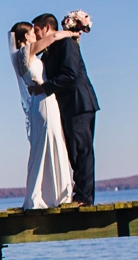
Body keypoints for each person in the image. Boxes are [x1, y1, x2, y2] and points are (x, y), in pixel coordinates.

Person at [30, 11, 98, 205]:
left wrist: (44, 88)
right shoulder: (49, 50)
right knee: (73, 151)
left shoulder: (67, 44)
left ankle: (85, 198)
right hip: (67, 106)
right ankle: (79, 194)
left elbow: (69, 74)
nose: (35, 35)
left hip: (79, 102)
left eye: (37, 30)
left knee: (82, 150)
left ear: (48, 28)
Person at [9, 21, 75, 209]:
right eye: (32, 32)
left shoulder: (21, 56)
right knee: (50, 143)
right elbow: (52, 37)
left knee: (47, 144)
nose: (35, 36)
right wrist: (71, 33)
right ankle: (48, 195)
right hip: (44, 102)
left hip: (42, 102)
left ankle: (48, 194)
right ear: (24, 38)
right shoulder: (25, 52)